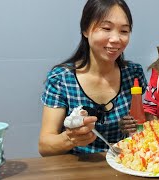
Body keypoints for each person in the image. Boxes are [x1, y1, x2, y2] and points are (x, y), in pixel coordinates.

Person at [39, 0, 147, 156]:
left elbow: (141, 123)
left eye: (124, 31)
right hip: (79, 169)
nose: (116, 39)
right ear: (85, 29)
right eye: (106, 28)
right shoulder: (61, 79)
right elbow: (44, 146)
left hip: (125, 163)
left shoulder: (133, 73)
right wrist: (72, 138)